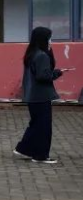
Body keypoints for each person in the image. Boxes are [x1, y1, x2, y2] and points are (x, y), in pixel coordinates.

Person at [14, 27, 66, 164]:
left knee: (36, 125)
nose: (51, 41)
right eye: (49, 38)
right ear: (43, 39)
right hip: (41, 96)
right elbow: (43, 76)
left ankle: (24, 148)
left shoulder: (32, 54)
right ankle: (40, 155)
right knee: (43, 127)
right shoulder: (42, 55)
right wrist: (57, 73)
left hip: (33, 96)